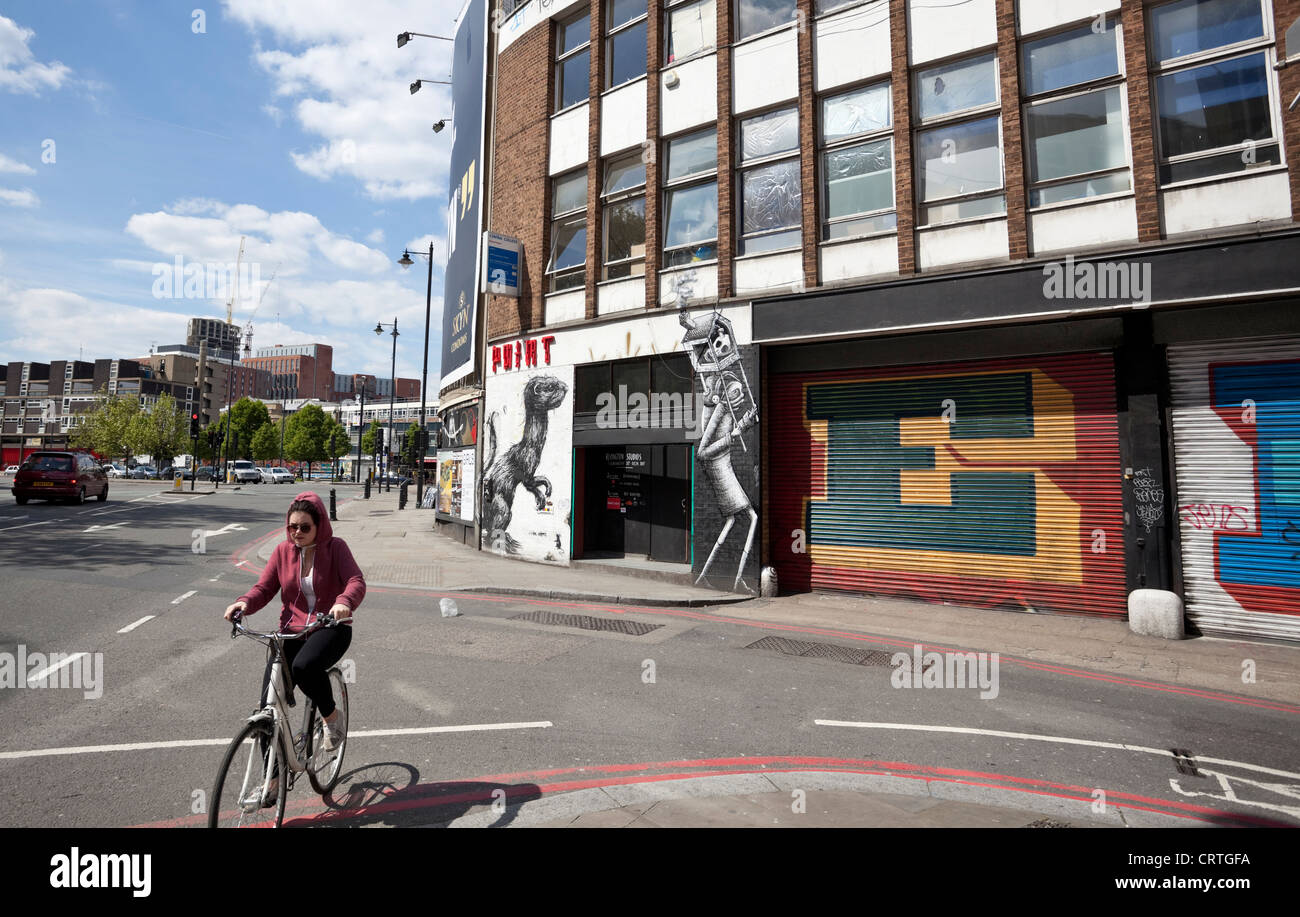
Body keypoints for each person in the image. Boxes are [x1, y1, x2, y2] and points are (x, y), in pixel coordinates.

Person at [224, 491, 364, 766]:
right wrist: (243, 603)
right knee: (267, 705)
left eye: (304, 527)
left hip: (330, 627)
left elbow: (355, 581)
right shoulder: (282, 552)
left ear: (319, 526)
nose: (297, 532)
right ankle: (272, 779)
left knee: (305, 667)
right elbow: (263, 589)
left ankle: (331, 716)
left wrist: (344, 602)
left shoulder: (336, 548)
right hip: (292, 630)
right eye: (292, 527)